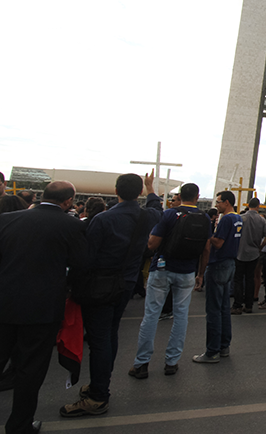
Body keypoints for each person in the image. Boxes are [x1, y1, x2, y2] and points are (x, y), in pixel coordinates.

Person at [60, 172, 162, 418]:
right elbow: (156, 207)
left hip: (100, 285)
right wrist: (150, 188)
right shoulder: (146, 216)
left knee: (99, 340)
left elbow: (87, 257)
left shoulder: (104, 219)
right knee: (109, 334)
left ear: (116, 190)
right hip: (125, 284)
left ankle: (98, 396)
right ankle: (100, 383)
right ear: (138, 192)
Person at [0, 181, 87, 434]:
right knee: (31, 369)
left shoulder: (7, 219)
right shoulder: (71, 225)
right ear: (69, 201)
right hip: (42, 307)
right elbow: (81, 265)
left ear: (42, 196)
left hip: (4, 302)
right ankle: (20, 425)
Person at [129, 183, 210, 378]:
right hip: (187, 272)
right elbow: (206, 249)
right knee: (181, 316)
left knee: (151, 315)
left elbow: (152, 243)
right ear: (197, 197)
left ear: (180, 196)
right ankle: (172, 362)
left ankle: (141, 363)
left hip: (163, 269)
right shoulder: (205, 218)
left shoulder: (169, 214)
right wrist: (200, 274)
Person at [193, 191, 242, 363]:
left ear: (227, 202)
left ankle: (211, 351)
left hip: (218, 263)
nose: (217, 205)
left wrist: (208, 237)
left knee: (213, 309)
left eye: (219, 202)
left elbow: (219, 242)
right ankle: (224, 346)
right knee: (223, 307)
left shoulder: (226, 219)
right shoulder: (238, 218)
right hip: (230, 263)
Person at [232, 198, 266, 314]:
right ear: (258, 206)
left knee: (238, 279)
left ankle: (237, 304)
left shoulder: (241, 218)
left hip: (240, 251)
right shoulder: (261, 220)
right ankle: (249, 305)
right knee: (250, 278)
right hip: (254, 252)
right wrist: (261, 246)